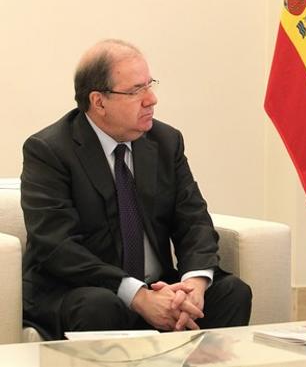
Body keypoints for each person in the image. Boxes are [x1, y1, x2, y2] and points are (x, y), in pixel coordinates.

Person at [21, 39, 252, 340]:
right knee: (99, 307)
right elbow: (56, 247)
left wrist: (193, 284)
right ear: (98, 101)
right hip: (82, 289)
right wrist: (137, 295)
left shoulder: (166, 142)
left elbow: (193, 219)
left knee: (232, 292)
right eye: (135, 91)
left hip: (157, 287)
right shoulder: (49, 151)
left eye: (149, 85)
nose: (151, 99)